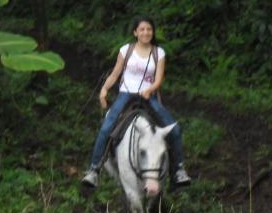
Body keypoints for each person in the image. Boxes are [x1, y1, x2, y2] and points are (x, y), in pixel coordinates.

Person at [81, 16, 191, 187]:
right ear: (135, 32)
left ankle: (178, 170)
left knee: (174, 129)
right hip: (126, 94)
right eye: (142, 29)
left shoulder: (158, 52)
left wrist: (149, 89)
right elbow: (115, 74)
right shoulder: (126, 50)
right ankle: (94, 170)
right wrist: (104, 89)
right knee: (106, 127)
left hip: (149, 96)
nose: (146, 32)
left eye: (149, 29)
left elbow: (159, 79)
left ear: (152, 32)